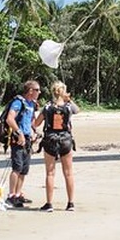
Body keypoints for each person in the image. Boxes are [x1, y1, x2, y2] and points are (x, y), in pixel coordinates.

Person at [34, 81, 79, 212]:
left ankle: (49, 203)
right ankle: (70, 203)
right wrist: (69, 100)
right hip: (65, 139)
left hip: (50, 139)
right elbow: (77, 110)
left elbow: (36, 123)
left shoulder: (47, 107)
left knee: (50, 173)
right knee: (68, 173)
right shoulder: (69, 106)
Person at [5, 80, 41, 208]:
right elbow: (10, 119)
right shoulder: (18, 102)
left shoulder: (32, 104)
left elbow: (32, 122)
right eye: (37, 90)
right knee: (17, 167)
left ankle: (18, 194)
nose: (39, 92)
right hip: (18, 139)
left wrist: (34, 132)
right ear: (30, 91)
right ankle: (11, 195)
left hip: (27, 139)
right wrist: (19, 133)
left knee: (24, 169)